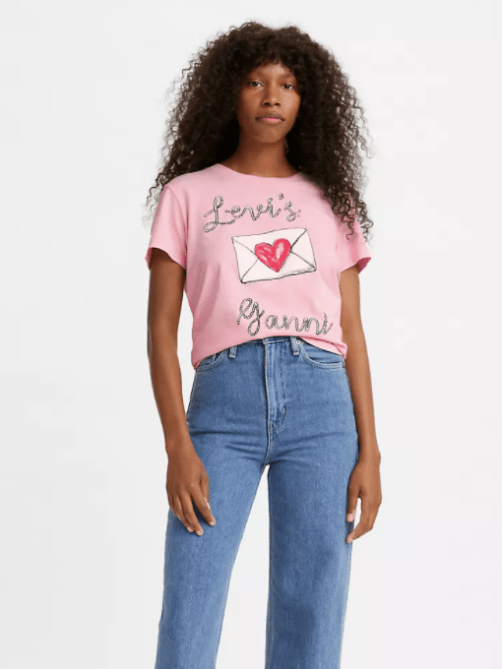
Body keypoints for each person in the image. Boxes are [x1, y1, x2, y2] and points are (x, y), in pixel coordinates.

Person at [144, 21, 382, 669]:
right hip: (222, 407)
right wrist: (178, 445)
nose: (271, 96)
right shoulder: (187, 196)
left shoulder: (331, 201)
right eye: (254, 81)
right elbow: (160, 331)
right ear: (229, 92)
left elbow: (353, 332)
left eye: (288, 84)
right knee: (190, 601)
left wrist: (370, 451)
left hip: (321, 406)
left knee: (313, 605)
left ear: (308, 100)